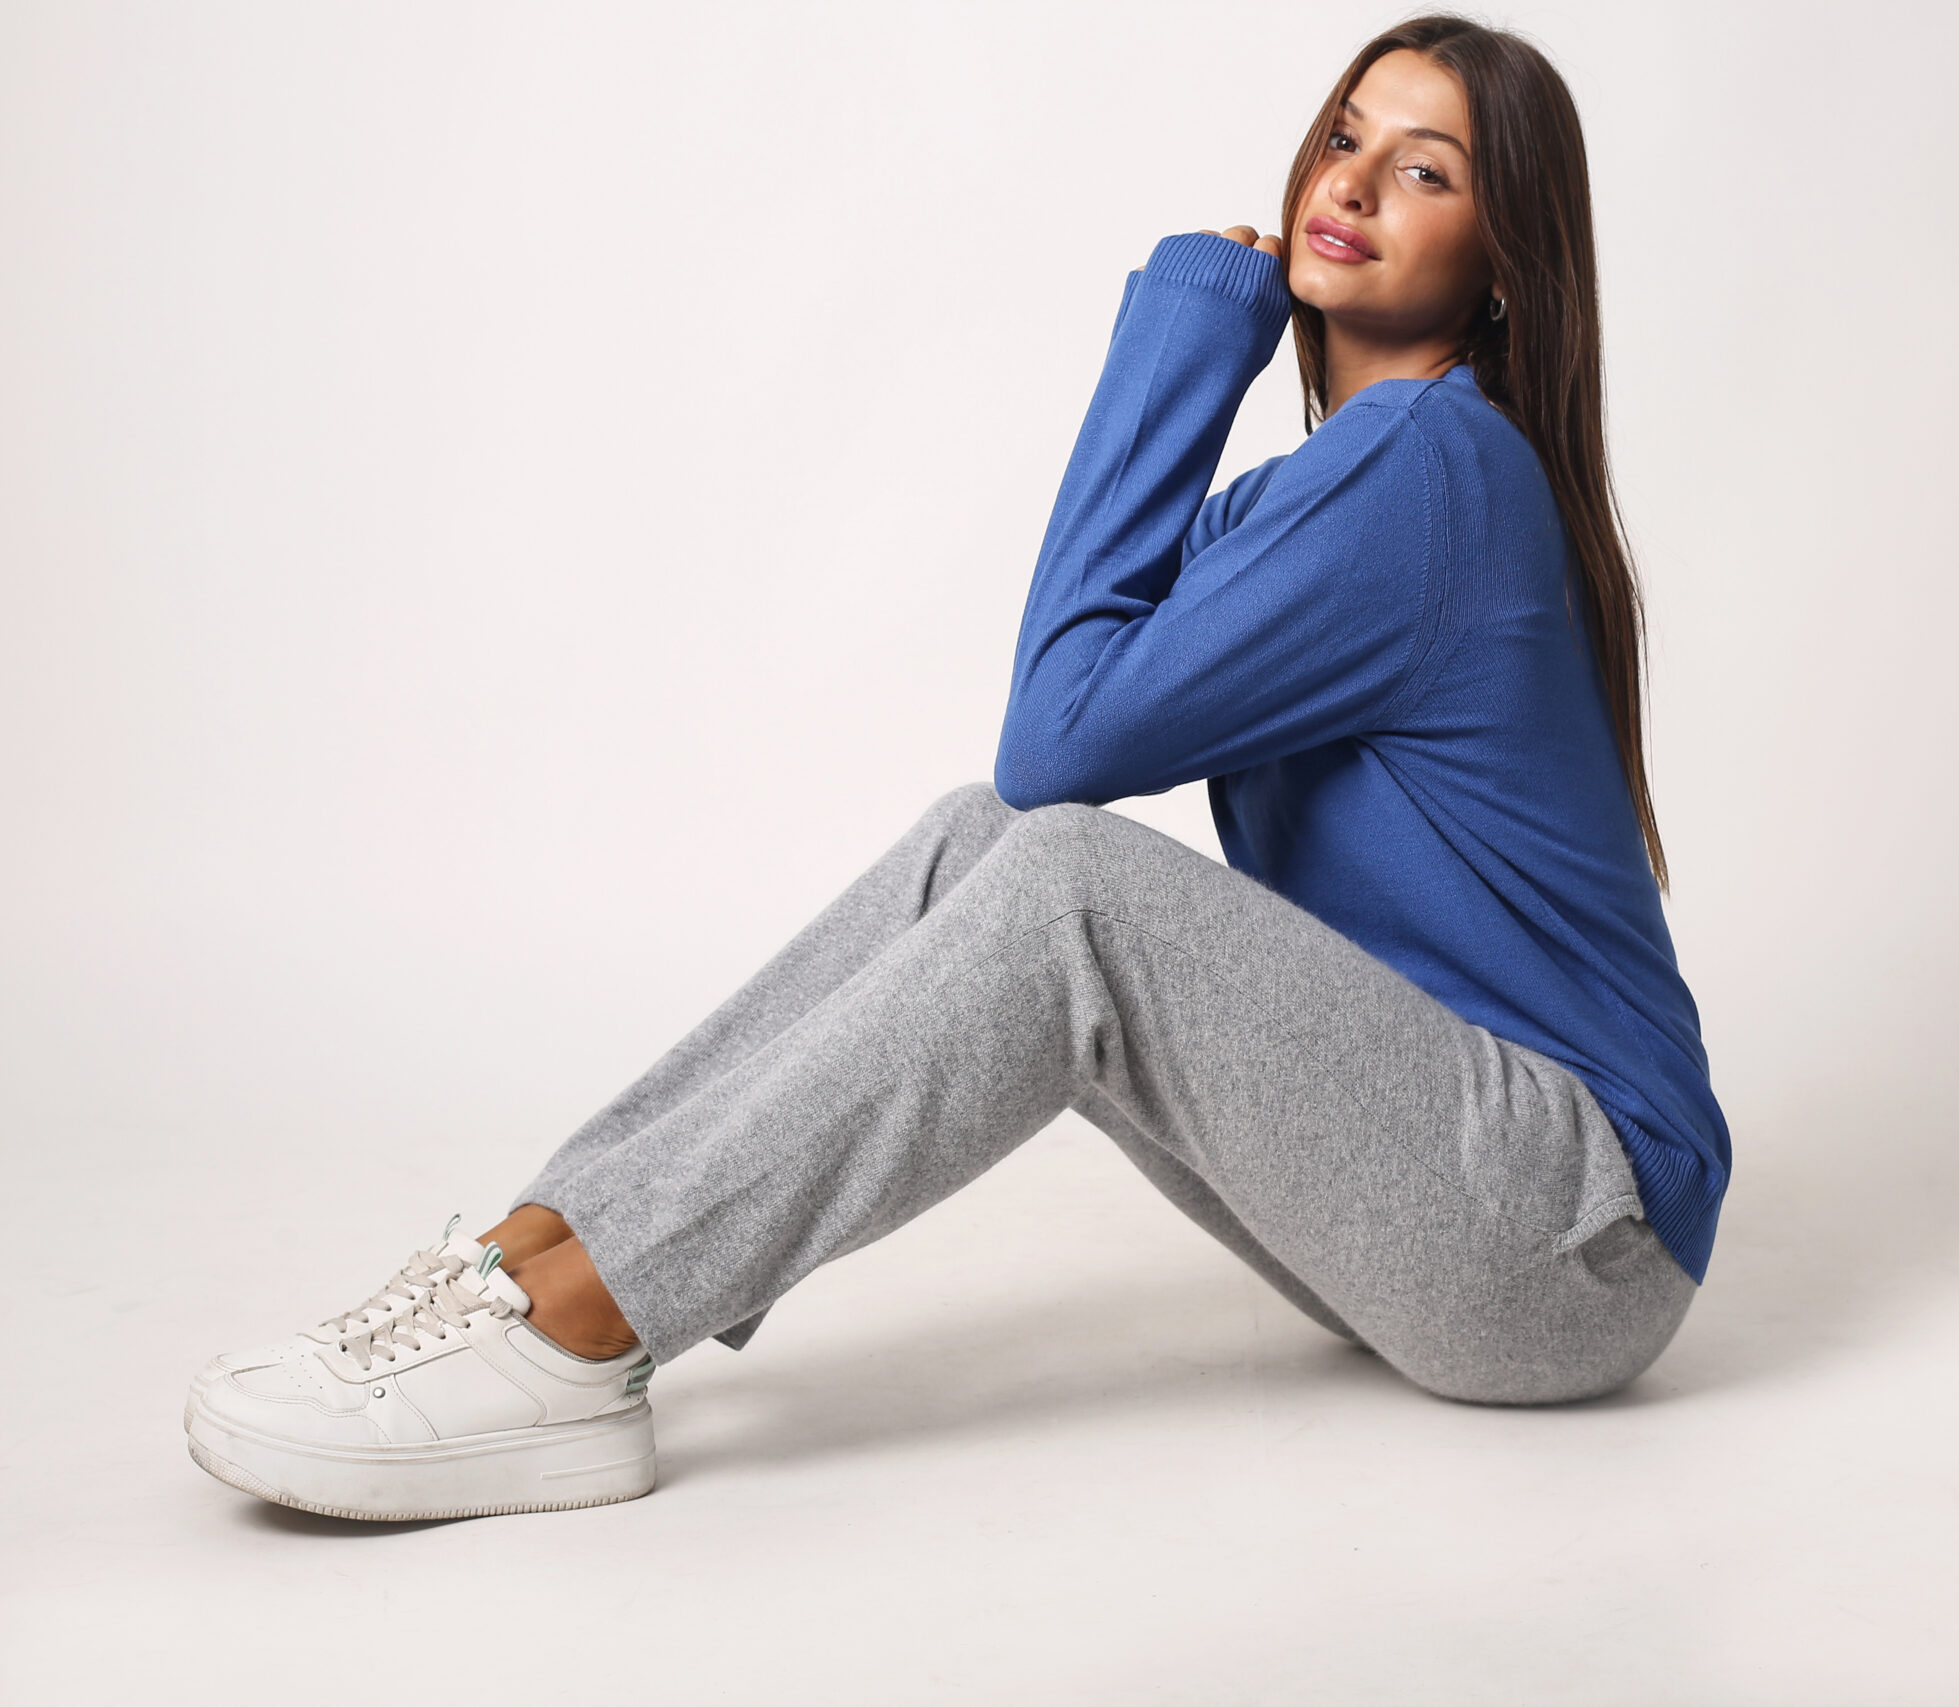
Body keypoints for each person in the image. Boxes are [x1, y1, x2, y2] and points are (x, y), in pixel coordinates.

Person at [182, 14, 1733, 1523]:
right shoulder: (1321, 496)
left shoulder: (1430, 468)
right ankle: (536, 1256)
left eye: (1424, 170)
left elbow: (1061, 734)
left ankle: (578, 1327)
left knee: (1063, 881)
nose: (1350, 182)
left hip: (1566, 1235)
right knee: (980, 838)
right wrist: (1200, 329)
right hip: (1448, 1205)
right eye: (1345, 136)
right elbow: (1069, 694)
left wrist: (1190, 329)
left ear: (1505, 261)